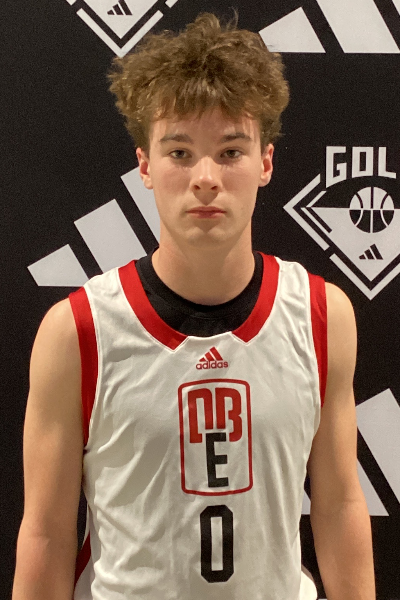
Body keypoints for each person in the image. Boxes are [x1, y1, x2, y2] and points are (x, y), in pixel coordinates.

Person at [12, 12, 375, 600]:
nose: (206, 178)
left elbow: (338, 505)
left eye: (230, 151)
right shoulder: (79, 330)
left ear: (265, 162)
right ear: (145, 165)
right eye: (180, 152)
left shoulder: (321, 314)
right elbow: (48, 535)